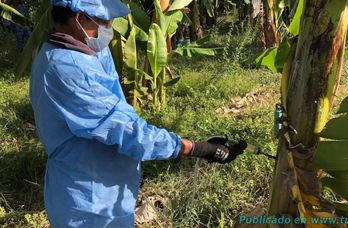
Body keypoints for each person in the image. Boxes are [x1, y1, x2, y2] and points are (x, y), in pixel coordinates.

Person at [29, 0, 244, 227]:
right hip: (89, 198)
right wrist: (196, 148)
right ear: (79, 17)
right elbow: (124, 129)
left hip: (107, 187)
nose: (108, 29)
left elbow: (120, 111)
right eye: (102, 22)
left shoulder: (87, 49)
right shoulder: (66, 67)